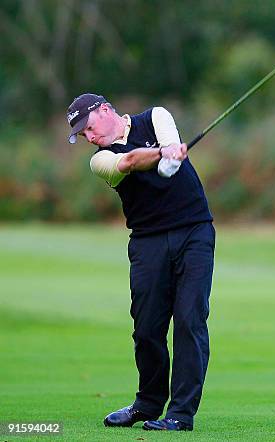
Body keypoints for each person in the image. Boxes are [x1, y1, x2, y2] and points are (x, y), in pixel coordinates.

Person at [66, 93, 215, 432]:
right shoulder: (101, 159)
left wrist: (170, 155)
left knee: (190, 320)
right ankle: (147, 404)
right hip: (148, 241)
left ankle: (180, 414)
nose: (89, 138)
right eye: (83, 135)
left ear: (105, 111)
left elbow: (169, 158)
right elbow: (131, 161)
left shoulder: (156, 116)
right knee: (147, 327)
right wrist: (165, 155)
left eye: (88, 128)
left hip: (194, 231)